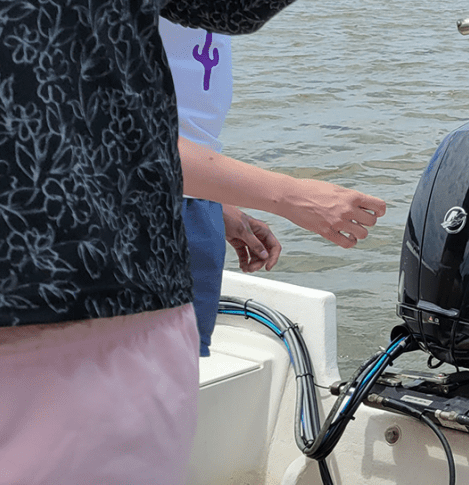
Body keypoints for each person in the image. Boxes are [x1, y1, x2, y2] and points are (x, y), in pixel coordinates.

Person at [0, 0, 328, 483]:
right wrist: (285, 194)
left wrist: (218, 205)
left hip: (155, 219)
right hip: (94, 247)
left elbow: (227, 13)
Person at [160, 19, 387, 357]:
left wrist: (213, 201)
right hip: (125, 219)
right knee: (129, 390)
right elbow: (111, 135)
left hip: (189, 206)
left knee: (172, 383)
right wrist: (289, 196)